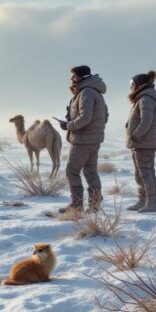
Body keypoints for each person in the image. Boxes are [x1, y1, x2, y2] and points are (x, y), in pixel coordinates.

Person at [59, 66, 108, 213]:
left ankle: (76, 205)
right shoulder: (96, 92)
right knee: (90, 172)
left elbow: (85, 117)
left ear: (81, 77)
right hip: (93, 140)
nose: (71, 78)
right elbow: (105, 116)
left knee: (71, 171)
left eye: (74, 76)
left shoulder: (86, 93)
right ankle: (94, 205)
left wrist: (68, 125)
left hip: (82, 141)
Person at [125, 71, 156, 212]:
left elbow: (146, 121)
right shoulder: (143, 98)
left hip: (143, 143)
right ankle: (143, 201)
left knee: (146, 174)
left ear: (139, 85)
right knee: (141, 174)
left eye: (132, 84)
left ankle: (152, 204)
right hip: (141, 143)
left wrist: (135, 136)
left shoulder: (145, 99)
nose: (131, 87)